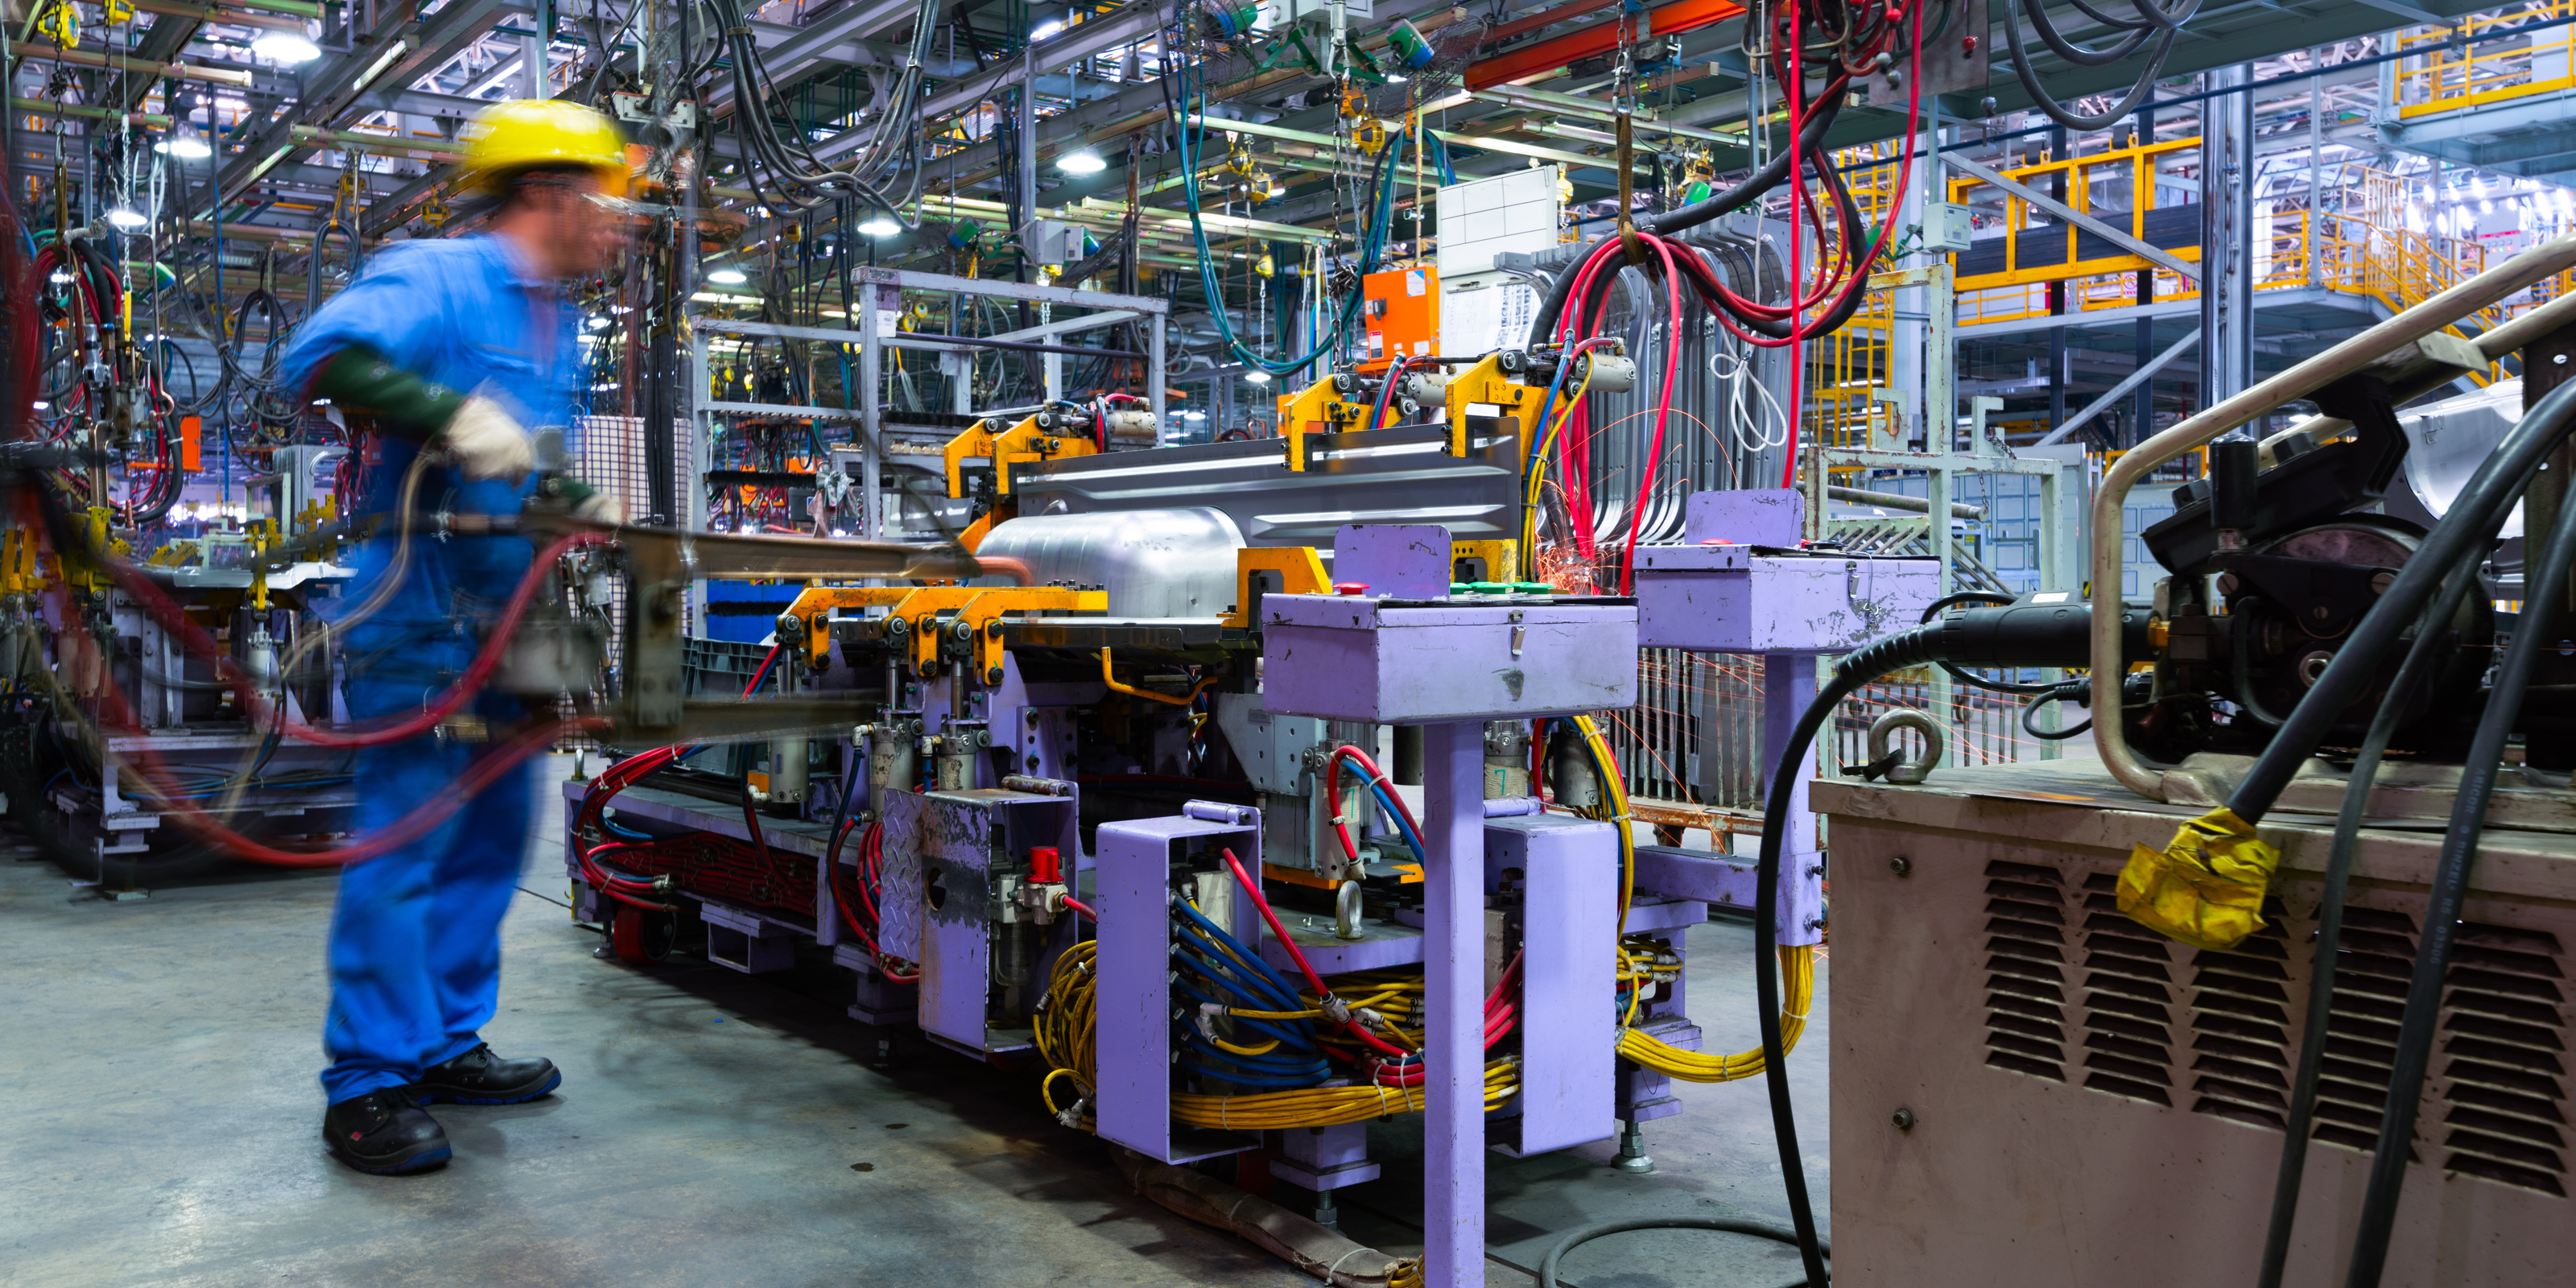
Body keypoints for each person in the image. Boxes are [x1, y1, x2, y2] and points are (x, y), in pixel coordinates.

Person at [283, 98, 630, 1175]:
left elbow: (521, 453)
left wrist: (568, 489)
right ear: (549, 192)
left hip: (510, 614)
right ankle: (368, 1082)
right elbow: (320, 357)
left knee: (492, 836)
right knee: (407, 840)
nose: (616, 224)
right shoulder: (439, 275)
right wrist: (447, 415)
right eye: (607, 200)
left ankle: (441, 1042)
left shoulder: (550, 318)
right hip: (418, 611)